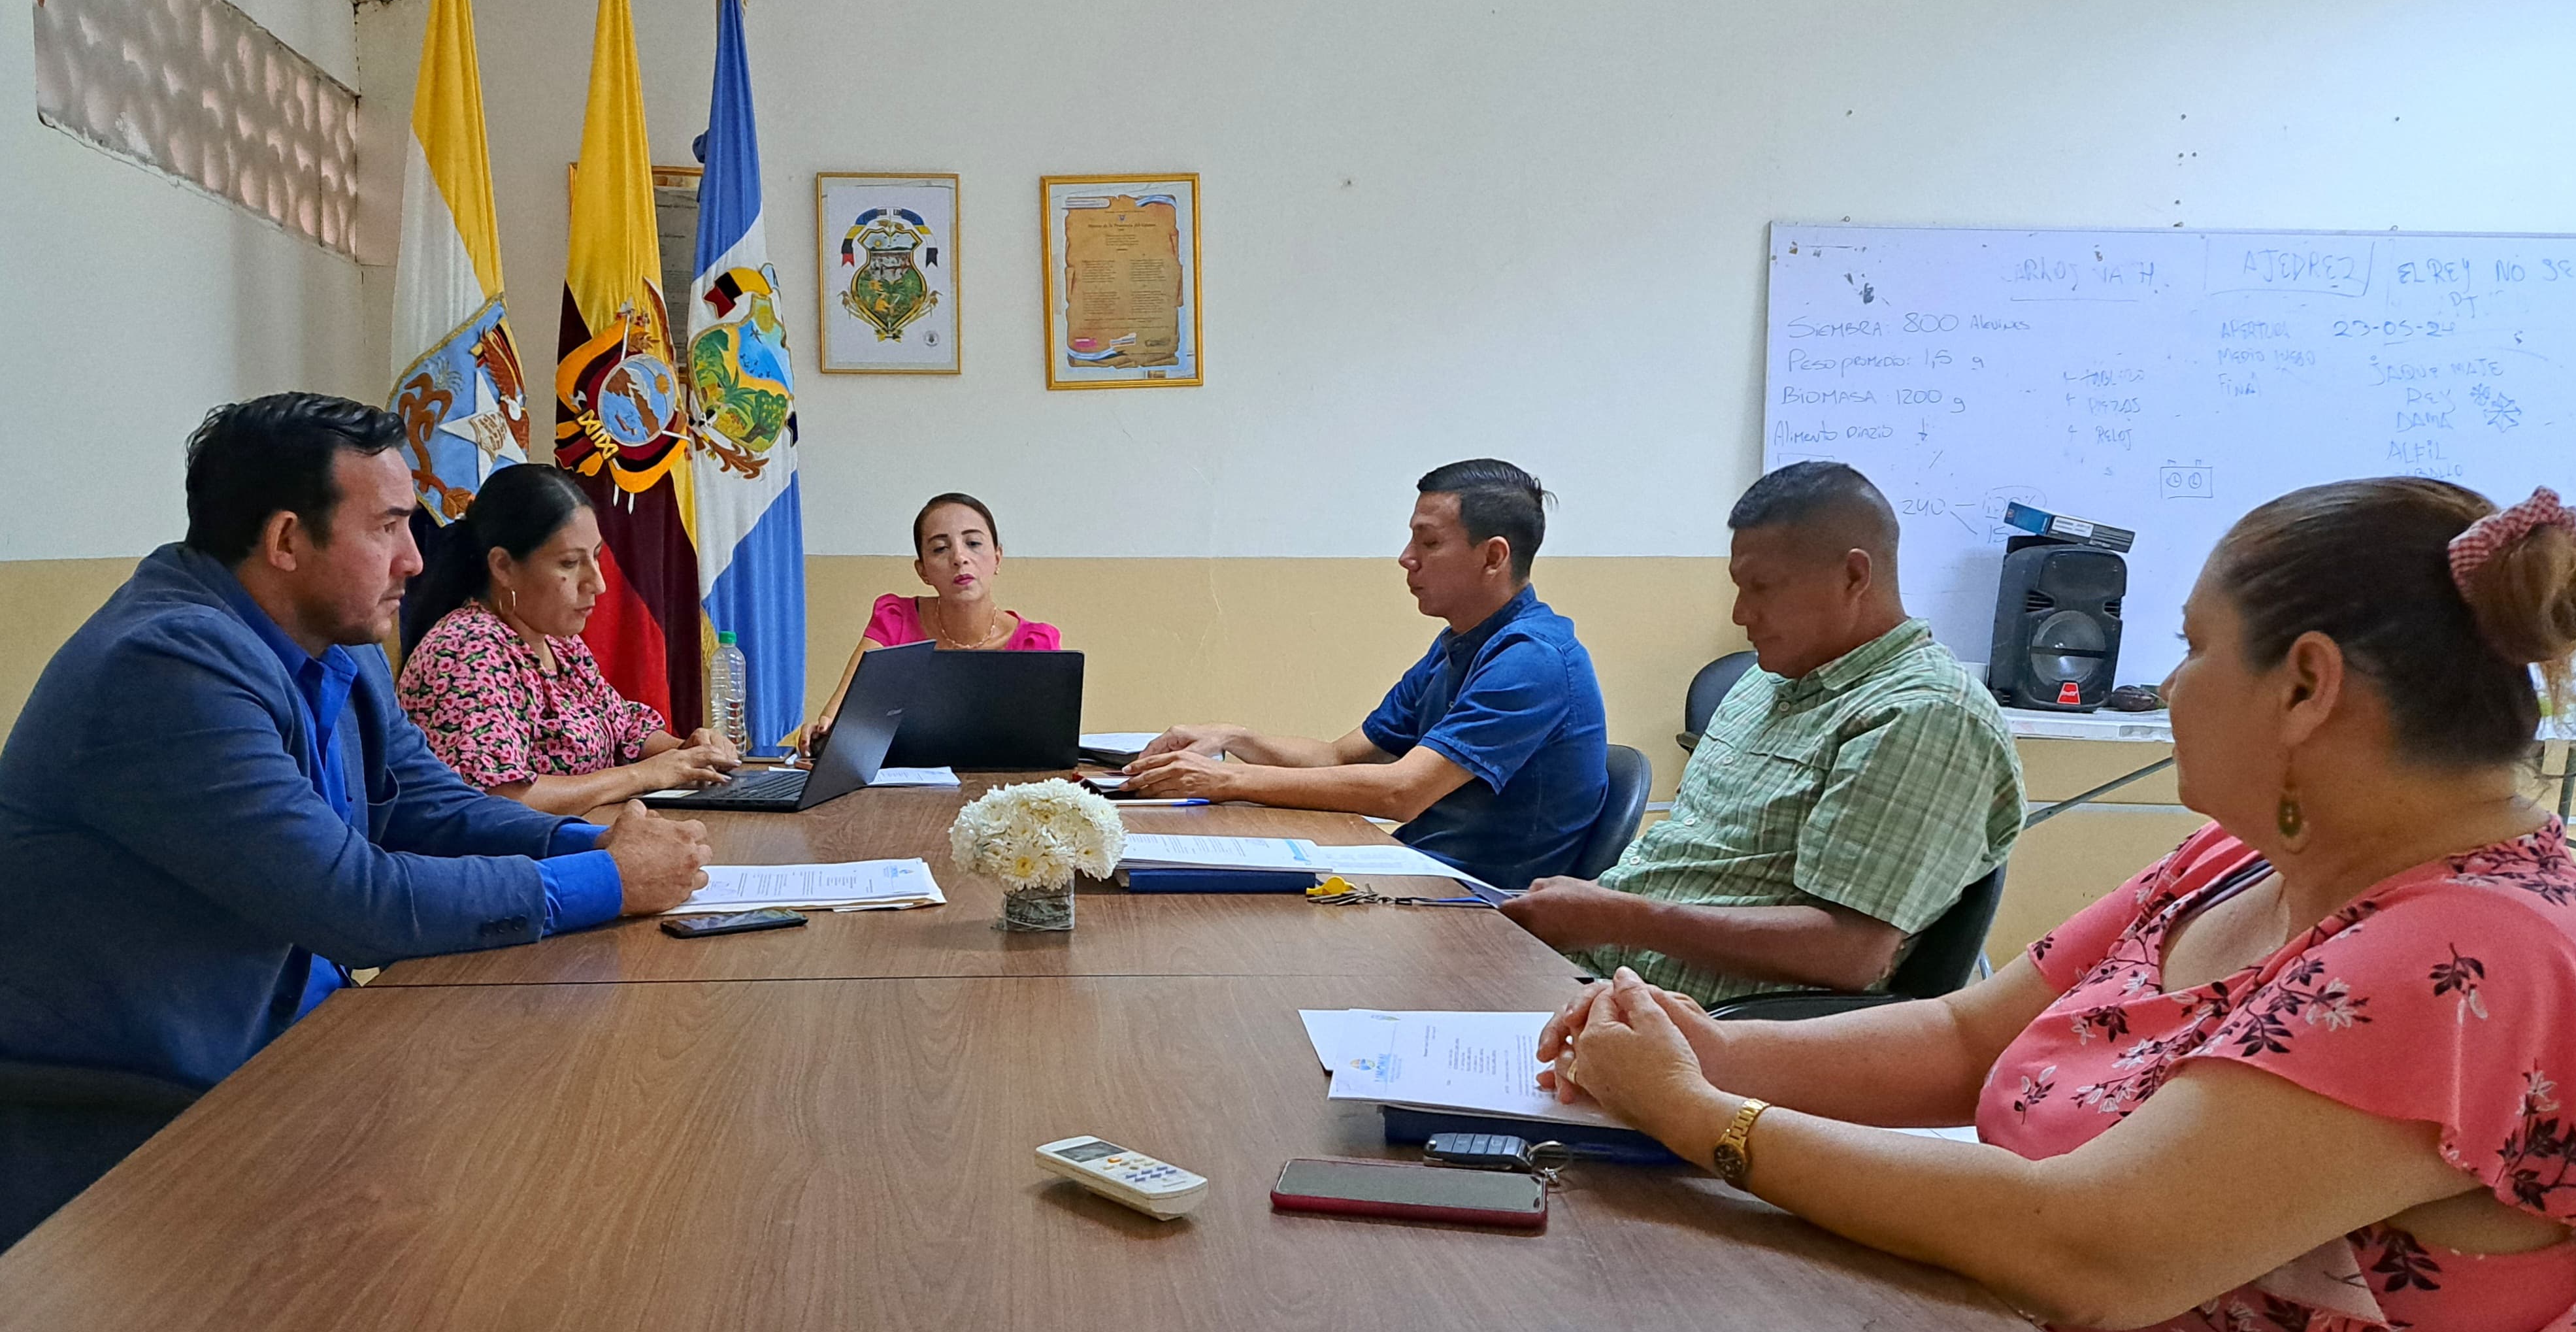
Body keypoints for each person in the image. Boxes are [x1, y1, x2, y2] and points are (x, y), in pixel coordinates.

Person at [1535, 478, 2576, 1332]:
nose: (2168, 685)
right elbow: (1960, 1039)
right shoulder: (2236, 857)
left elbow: (2091, 1247)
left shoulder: (2470, 955)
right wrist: (1705, 1051)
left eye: (2193, 647)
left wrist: (1704, 1118)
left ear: (2304, 686)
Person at [0, 393, 712, 1103]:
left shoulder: (339, 639)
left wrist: (593, 845)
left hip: (305, 1039)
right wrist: (609, 879)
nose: (415, 560)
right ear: (286, 541)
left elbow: (431, 809)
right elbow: (352, 900)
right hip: (143, 1102)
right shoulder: (167, 666)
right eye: (389, 527)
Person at [1502, 460, 2021, 1005]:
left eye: (1762, 588)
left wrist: (1619, 917)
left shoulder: (1923, 715)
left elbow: (1851, 952)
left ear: (1853, 576)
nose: (1740, 613)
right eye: (1739, 587)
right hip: (1598, 978)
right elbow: (1698, 863)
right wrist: (1593, 907)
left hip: (1695, 1025)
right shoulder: (1765, 680)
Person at [1126, 459, 1608, 890]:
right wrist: (1234, 738)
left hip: (1478, 905)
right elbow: (1337, 756)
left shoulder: (1532, 659)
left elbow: (1402, 792)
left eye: (1430, 542)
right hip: (1416, 873)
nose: (1407, 557)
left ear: (1494, 557)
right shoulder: (1461, 645)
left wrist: (1226, 780)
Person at [398, 463, 740, 812]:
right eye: (569, 563)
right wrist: (644, 776)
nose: (598, 584)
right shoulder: (465, 651)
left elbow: (623, 727)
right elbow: (497, 796)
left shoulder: (558, 642)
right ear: (503, 566)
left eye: (596, 557)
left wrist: (688, 752)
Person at [800, 491, 1060, 751]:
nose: (959, 558)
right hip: (905, 777)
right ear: (923, 571)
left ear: (997, 558)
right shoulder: (895, 620)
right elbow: (839, 718)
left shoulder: (1035, 643)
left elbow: (1046, 744)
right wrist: (822, 734)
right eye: (940, 548)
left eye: (973, 543)